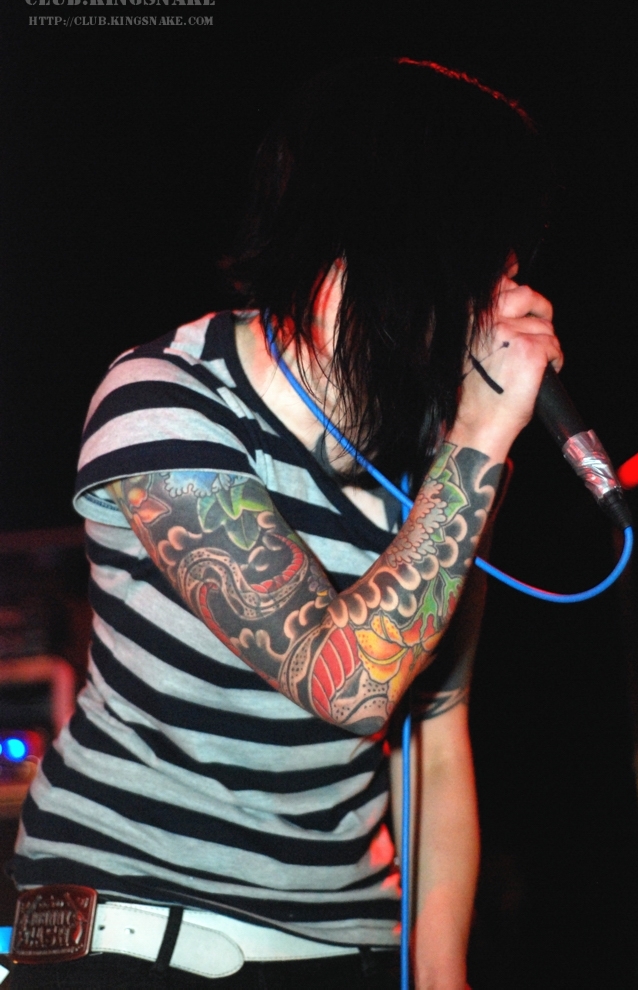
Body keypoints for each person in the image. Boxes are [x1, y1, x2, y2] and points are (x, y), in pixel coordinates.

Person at [9, 58, 561, 989]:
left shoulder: (444, 459)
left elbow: (435, 727)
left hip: (341, 943)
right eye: (492, 251)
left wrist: (441, 974)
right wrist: (479, 441)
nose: (511, 285)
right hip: (140, 932)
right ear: (409, 239)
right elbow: (343, 683)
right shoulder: (163, 399)